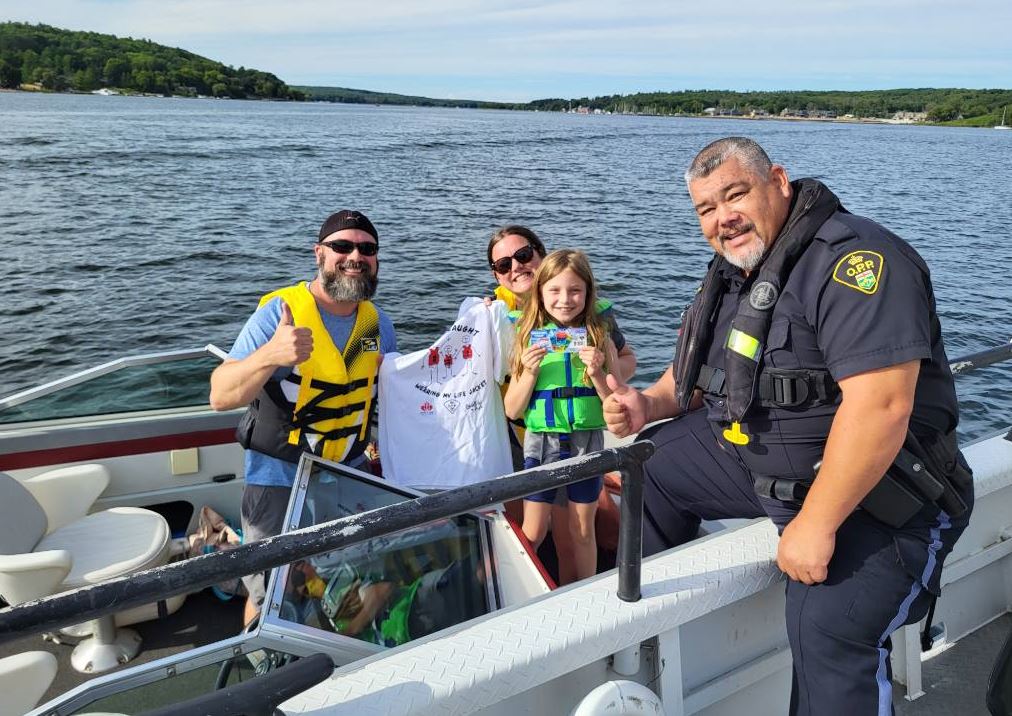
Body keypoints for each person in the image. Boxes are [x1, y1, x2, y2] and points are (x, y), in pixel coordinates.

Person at [603, 137, 973, 715]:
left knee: (826, 631)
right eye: (706, 208)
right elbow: (711, 367)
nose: (723, 219)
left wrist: (816, 524)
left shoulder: (857, 261)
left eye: (735, 194)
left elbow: (881, 407)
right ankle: (649, 643)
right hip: (759, 463)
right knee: (649, 467)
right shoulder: (741, 267)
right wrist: (647, 404)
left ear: (777, 180)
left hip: (879, 494)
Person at [209, 209, 397, 625]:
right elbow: (220, 395)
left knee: (350, 579)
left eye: (366, 249)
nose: (355, 256)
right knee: (270, 595)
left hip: (347, 473)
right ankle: (261, 664)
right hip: (279, 480)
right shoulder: (279, 314)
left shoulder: (376, 324)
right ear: (319, 254)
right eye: (342, 247)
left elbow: (384, 394)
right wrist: (270, 355)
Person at [489, 226, 634, 582]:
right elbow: (512, 408)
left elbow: (613, 399)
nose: (565, 299)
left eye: (574, 291)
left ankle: (579, 594)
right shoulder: (517, 328)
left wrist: (599, 371)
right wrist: (529, 373)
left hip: (586, 443)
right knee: (532, 532)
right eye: (554, 291)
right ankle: (509, 591)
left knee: (583, 529)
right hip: (539, 444)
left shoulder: (600, 333)